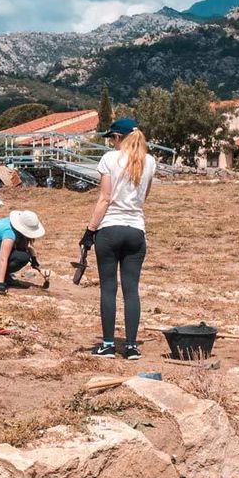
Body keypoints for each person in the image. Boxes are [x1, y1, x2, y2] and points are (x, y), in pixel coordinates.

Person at [81, 117, 156, 359]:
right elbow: (144, 197)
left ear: (117, 137)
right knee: (131, 290)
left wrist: (90, 230)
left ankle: (108, 344)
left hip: (110, 229)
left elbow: (104, 198)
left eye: (111, 138)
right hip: (136, 230)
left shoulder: (109, 159)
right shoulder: (150, 162)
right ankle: (132, 346)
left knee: (108, 289)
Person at [0, 210, 45, 293]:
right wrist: (0, 285)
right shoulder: (10, 234)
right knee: (22, 257)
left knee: (24, 254)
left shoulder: (11, 225)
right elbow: (3, 258)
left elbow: (27, 248)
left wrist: (34, 261)